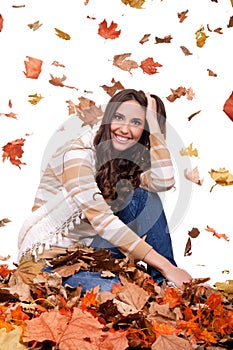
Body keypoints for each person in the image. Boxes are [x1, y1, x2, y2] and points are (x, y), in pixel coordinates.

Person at [17, 89, 192, 291]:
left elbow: (164, 180)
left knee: (144, 197)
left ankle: (168, 285)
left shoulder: (126, 159)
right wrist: (166, 266)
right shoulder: (78, 154)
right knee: (118, 289)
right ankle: (166, 276)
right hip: (47, 260)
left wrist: (154, 125)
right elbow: (102, 221)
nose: (125, 129)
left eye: (136, 123)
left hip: (87, 251)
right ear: (108, 118)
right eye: (119, 117)